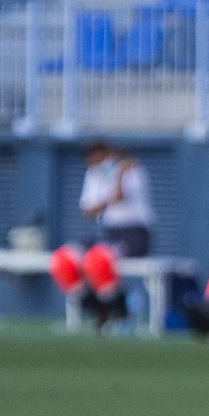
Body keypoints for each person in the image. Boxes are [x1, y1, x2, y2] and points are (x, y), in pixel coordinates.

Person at [77, 141, 155, 329]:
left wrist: (119, 173)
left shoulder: (132, 171)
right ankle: (101, 305)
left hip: (135, 233)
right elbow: (87, 209)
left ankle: (116, 308)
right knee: (76, 255)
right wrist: (105, 202)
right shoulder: (95, 174)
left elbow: (119, 197)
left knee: (100, 258)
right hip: (111, 232)